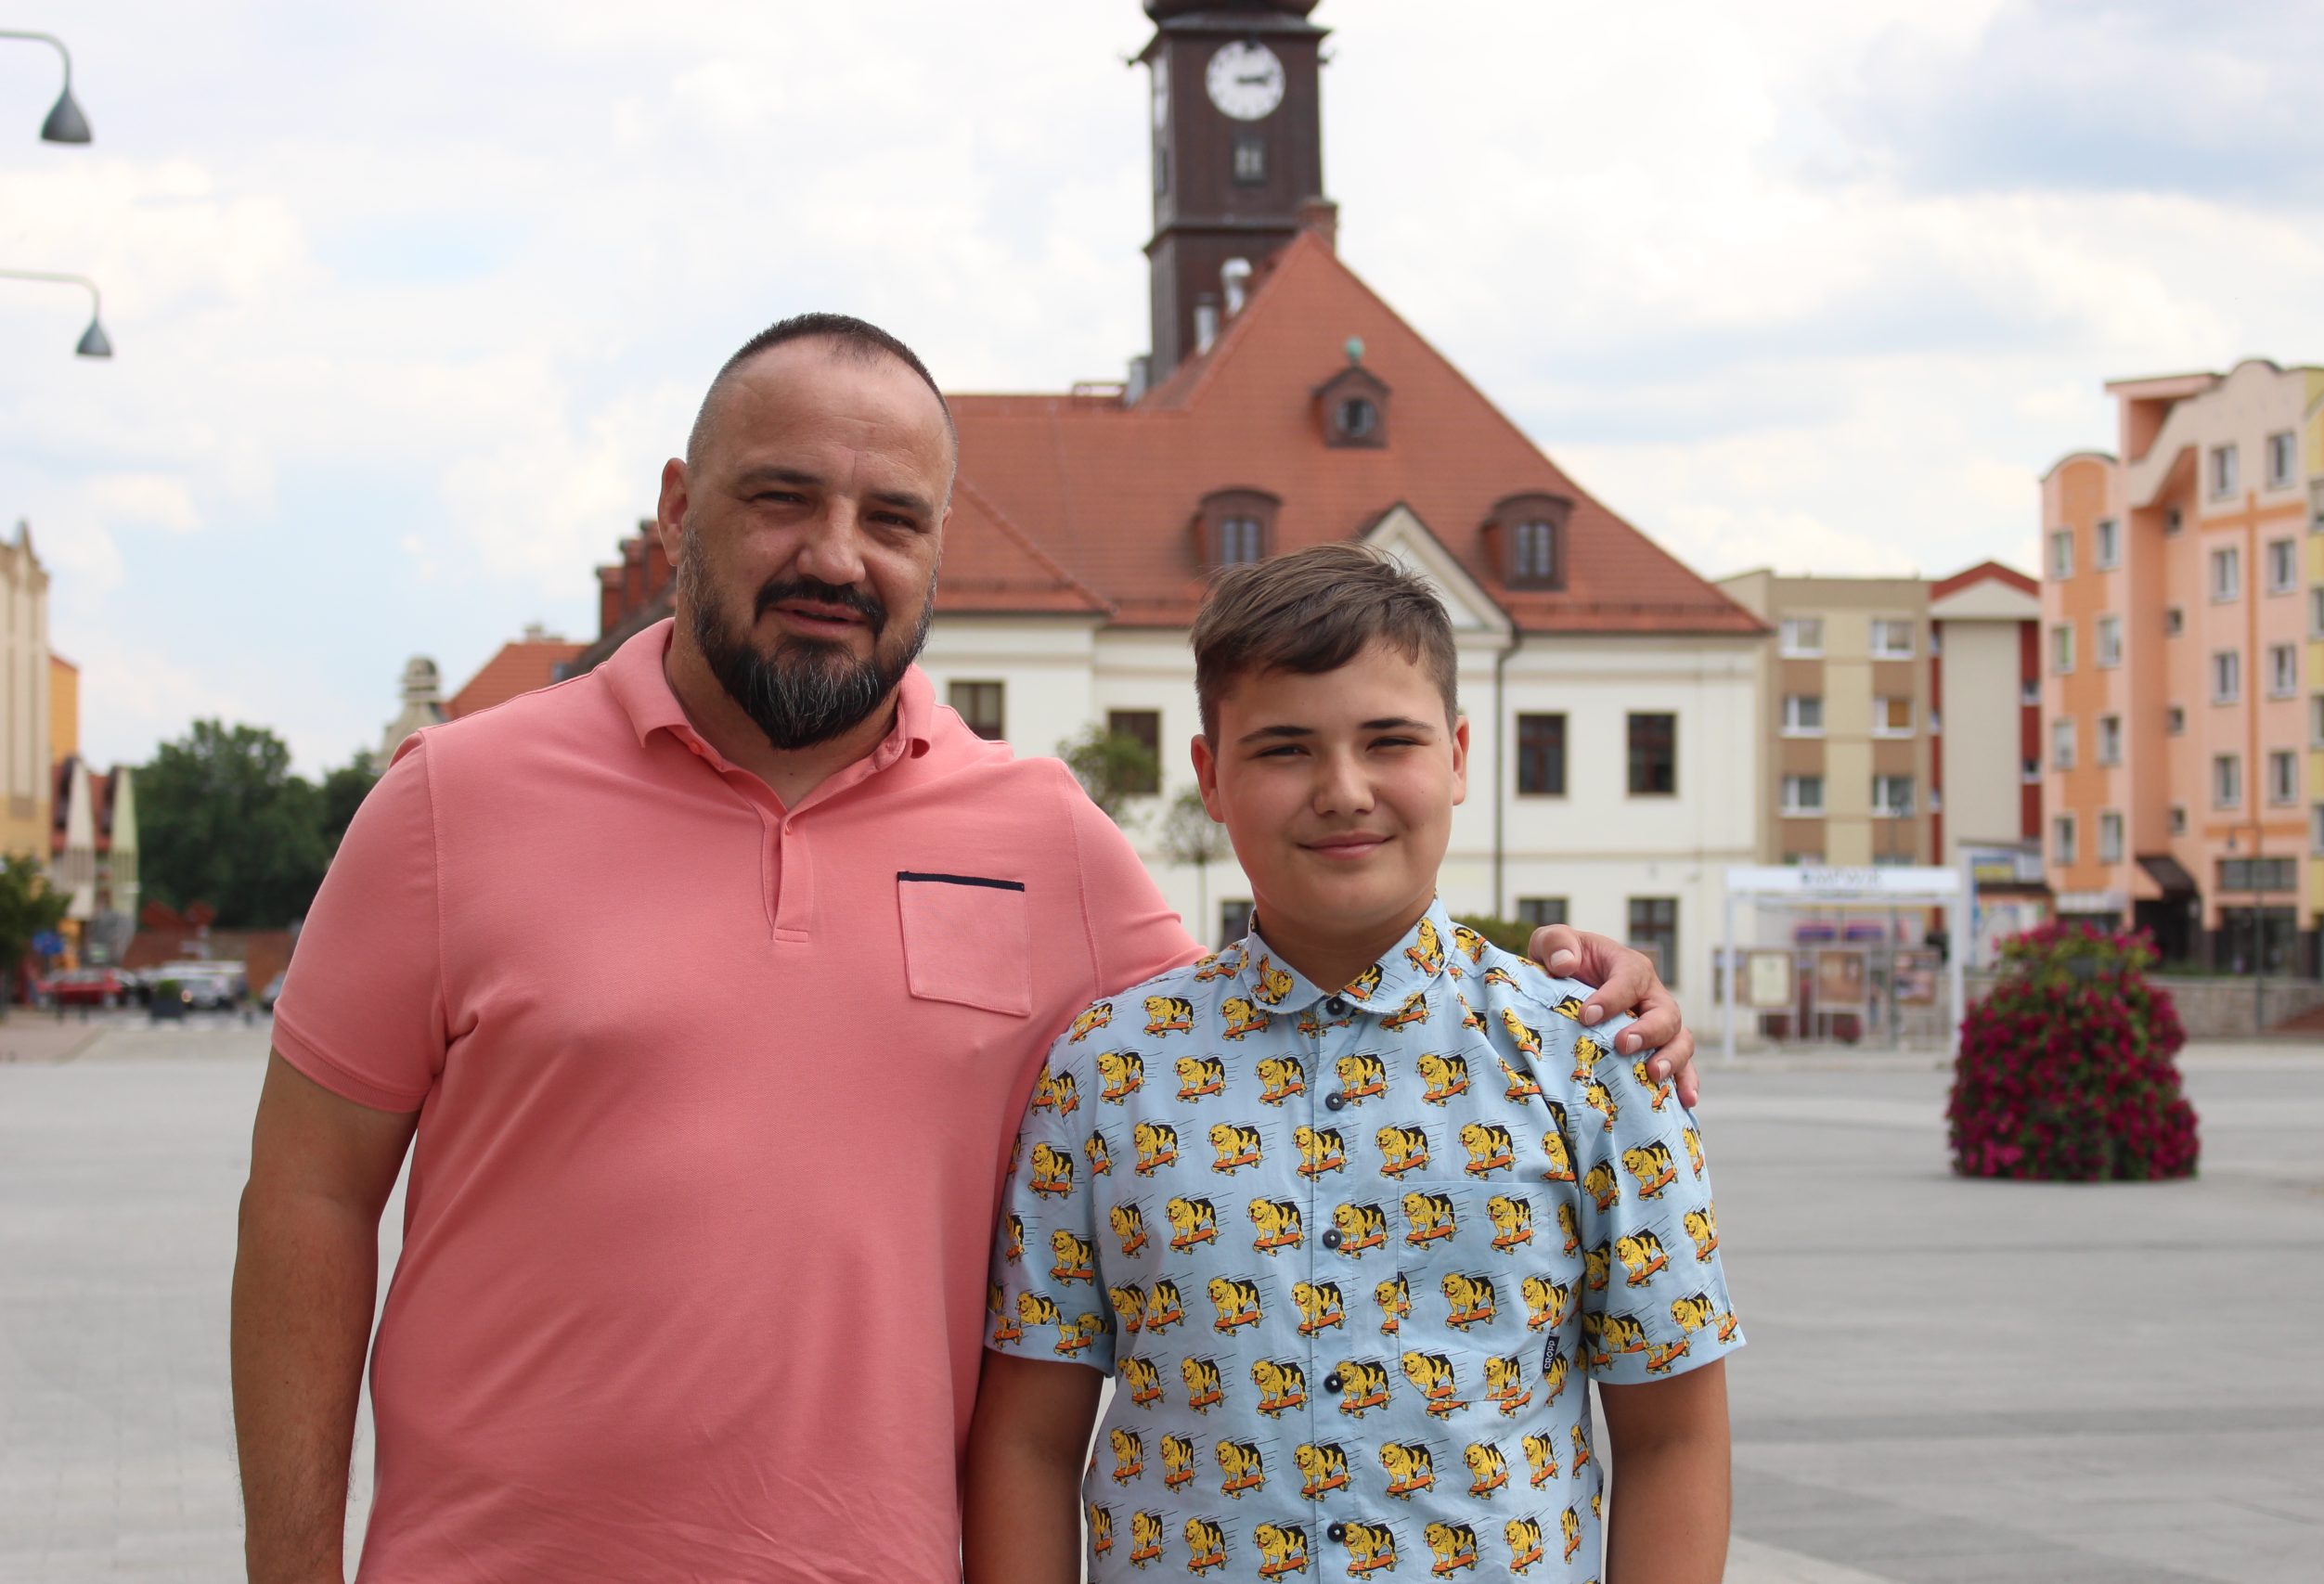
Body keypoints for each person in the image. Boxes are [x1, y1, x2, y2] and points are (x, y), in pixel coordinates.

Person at [230, 316, 1698, 1584]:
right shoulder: (453, 797)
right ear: (679, 504)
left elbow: (1294, 992)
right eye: (779, 498)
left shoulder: (1043, 831)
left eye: (892, 517)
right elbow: (305, 1197)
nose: (834, 554)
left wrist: (1594, 992)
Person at [967, 545, 1739, 1584]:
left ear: (1460, 757)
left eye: (1390, 741)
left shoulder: (1592, 1060)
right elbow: (1027, 1439)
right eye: (1284, 749)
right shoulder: (1104, 1073)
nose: (1342, 791)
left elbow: (1673, 1435)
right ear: (1210, 777)